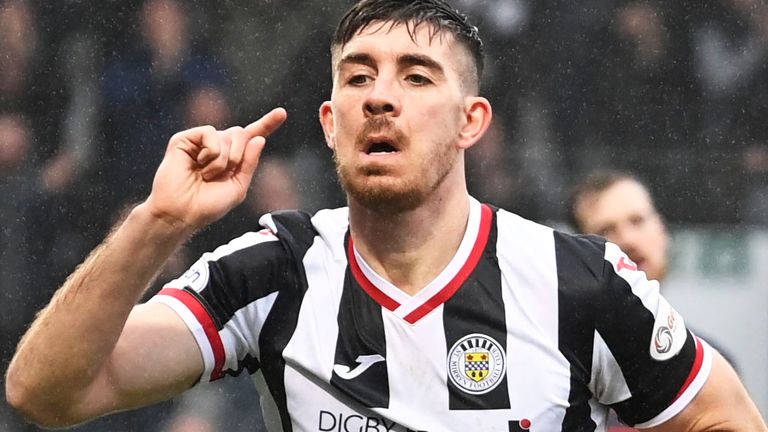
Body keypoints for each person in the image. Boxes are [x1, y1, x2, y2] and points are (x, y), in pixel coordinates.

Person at [5, 1, 766, 431]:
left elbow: (725, 421)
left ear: (471, 122)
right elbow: (46, 391)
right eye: (359, 77)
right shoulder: (272, 267)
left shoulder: (578, 278)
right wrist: (157, 221)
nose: (380, 95)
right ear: (332, 123)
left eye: (415, 75)